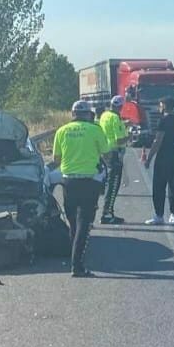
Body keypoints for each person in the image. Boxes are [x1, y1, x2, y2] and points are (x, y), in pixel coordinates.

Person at [51, 100, 110, 277]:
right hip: (89, 181)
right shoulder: (95, 130)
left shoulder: (61, 131)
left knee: (73, 222)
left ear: (72, 114)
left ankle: (75, 256)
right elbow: (106, 154)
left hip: (69, 182)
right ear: (87, 114)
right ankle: (77, 265)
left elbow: (56, 159)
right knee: (84, 222)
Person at [143, 97, 174, 226]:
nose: (159, 107)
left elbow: (158, 141)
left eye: (160, 105)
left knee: (159, 187)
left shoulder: (162, 121)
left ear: (165, 106)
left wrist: (149, 159)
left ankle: (159, 215)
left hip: (162, 158)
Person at [97, 95, 129, 224]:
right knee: (113, 184)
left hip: (105, 152)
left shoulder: (105, 115)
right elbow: (119, 139)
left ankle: (107, 212)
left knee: (108, 183)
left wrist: (124, 124)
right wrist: (131, 136)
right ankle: (107, 214)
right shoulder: (115, 118)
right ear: (120, 106)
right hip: (114, 153)